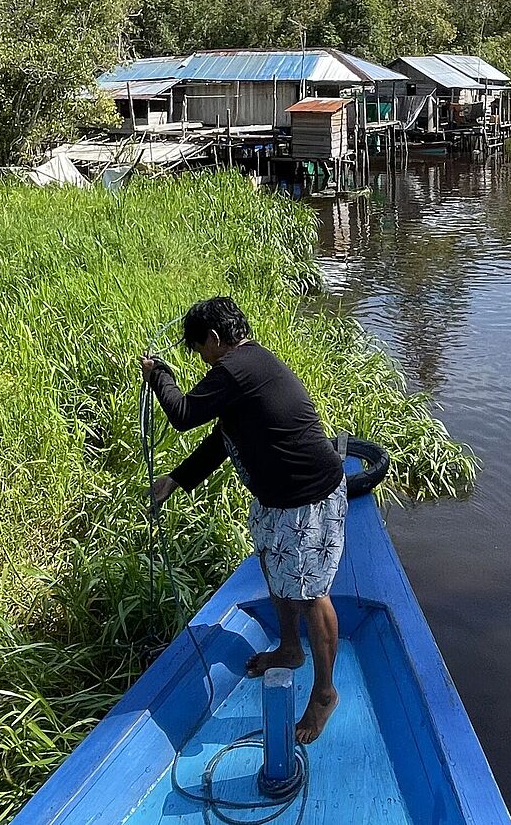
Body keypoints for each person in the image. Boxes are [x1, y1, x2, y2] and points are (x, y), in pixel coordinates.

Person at [140, 296, 347, 744]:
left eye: (200, 348)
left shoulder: (237, 369)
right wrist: (177, 478)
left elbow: (183, 415)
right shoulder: (246, 370)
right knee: (275, 570)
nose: (202, 358)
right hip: (276, 500)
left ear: (215, 338)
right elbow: (222, 438)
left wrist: (159, 375)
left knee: (312, 595)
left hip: (309, 498)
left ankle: (325, 693)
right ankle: (290, 649)